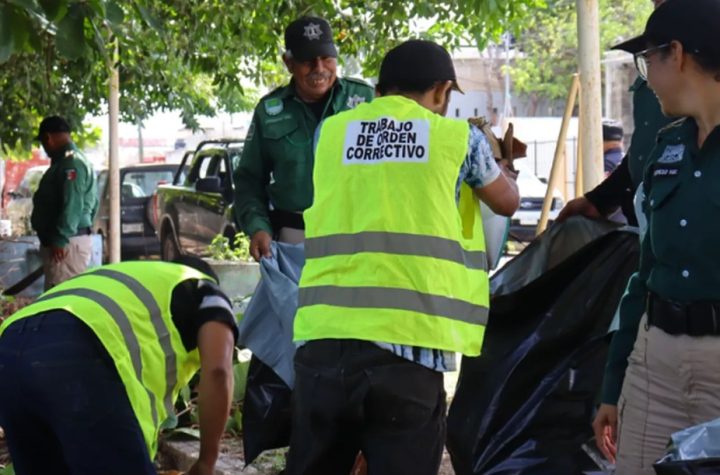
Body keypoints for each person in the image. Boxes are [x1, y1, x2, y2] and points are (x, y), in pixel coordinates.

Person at [286, 39, 519, 475]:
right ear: (442, 90)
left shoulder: (331, 132)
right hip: (408, 353)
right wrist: (500, 165)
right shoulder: (457, 139)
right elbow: (506, 202)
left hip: (325, 344)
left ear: (379, 90)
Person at [591, 0, 720, 473]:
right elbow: (646, 273)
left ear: (679, 55)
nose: (645, 78)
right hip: (655, 363)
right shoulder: (668, 146)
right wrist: (613, 383)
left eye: (648, 61)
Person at [0, 257, 238, 475]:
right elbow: (218, 371)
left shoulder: (125, 276)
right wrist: (206, 461)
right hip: (78, 347)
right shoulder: (204, 287)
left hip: (8, 351)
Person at [233, 16, 374, 259]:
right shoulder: (269, 112)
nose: (319, 68)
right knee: (297, 299)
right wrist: (258, 227)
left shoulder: (366, 100)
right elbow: (249, 180)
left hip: (359, 237)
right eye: (308, 61)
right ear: (288, 63)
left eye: (327, 58)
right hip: (295, 241)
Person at [31, 116, 98, 289]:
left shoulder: (71, 164)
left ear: (48, 138)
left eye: (43, 142)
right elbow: (92, 205)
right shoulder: (75, 160)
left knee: (61, 300)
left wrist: (60, 239)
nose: (44, 148)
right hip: (70, 241)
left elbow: (73, 203)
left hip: (66, 245)